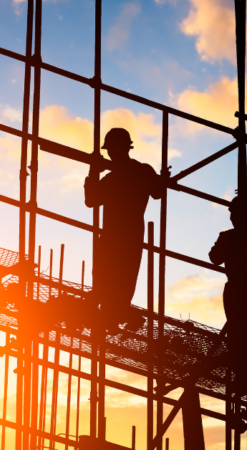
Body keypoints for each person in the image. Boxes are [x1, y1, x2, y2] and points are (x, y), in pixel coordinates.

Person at [84, 128, 165, 331]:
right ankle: (113, 315)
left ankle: (112, 316)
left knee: (113, 280)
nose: (111, 154)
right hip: (128, 236)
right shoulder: (141, 171)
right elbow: (157, 192)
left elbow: (90, 200)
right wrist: (161, 179)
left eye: (112, 150)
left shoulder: (115, 178)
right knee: (117, 280)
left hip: (117, 236)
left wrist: (93, 170)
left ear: (121, 149)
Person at [208, 187, 247, 398]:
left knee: (240, 338)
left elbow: (214, 257)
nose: (233, 217)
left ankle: (245, 381)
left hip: (238, 291)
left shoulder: (228, 238)